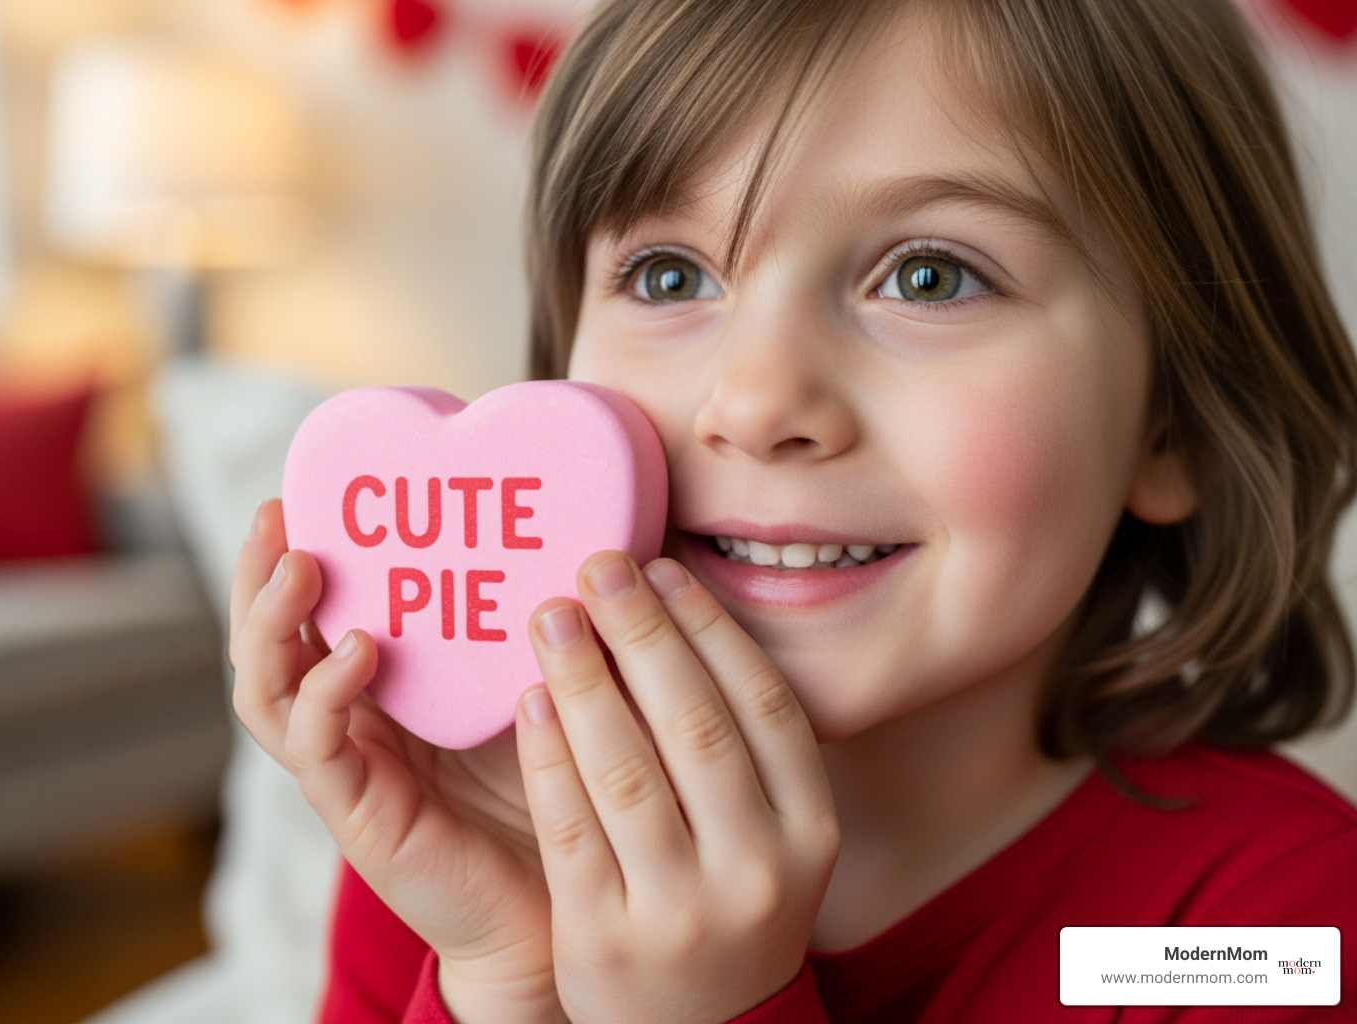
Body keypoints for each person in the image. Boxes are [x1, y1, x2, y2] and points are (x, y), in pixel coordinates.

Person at [228, 0, 1357, 1020]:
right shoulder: (475, 835)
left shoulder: (1263, 933)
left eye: (931, 276)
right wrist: (509, 984)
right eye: (669, 276)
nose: (757, 401)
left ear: (1178, 422)